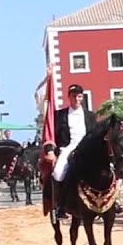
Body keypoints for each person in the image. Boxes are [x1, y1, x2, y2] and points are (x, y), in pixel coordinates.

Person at [44, 85, 97, 218]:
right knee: (57, 173)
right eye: (74, 96)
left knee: (110, 168)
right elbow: (52, 135)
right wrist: (50, 150)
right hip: (68, 148)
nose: (77, 99)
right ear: (69, 97)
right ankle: (60, 204)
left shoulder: (90, 116)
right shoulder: (60, 115)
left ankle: (113, 200)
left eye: (79, 96)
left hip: (88, 148)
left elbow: (95, 134)